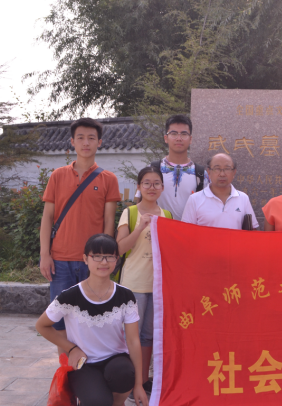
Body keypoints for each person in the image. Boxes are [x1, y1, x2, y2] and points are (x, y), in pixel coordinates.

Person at [35, 234, 148, 406]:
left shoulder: (125, 296)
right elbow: (41, 326)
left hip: (116, 360)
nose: (104, 262)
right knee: (97, 401)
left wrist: (138, 385)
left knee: (125, 374)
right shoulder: (70, 296)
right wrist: (71, 348)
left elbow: (133, 341)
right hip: (84, 363)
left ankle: (117, 403)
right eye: (97, 256)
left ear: (116, 260)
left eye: (109, 256)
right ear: (85, 259)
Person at [39, 117, 121, 352]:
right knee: (60, 322)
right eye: (81, 138)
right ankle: (66, 369)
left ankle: (92, 368)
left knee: (93, 317)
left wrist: (104, 258)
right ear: (72, 142)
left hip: (92, 261)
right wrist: (45, 254)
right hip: (60, 260)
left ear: (99, 142)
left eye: (91, 138)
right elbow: (47, 218)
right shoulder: (58, 176)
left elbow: (108, 222)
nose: (86, 143)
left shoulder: (108, 179)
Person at [116, 166, 170, 394]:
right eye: (146, 183)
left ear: (162, 188)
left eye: (156, 183)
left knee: (149, 336)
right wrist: (140, 228)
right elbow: (119, 248)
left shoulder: (167, 215)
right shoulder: (130, 213)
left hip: (157, 286)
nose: (151, 187)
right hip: (134, 284)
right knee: (132, 336)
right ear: (138, 186)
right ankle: (129, 382)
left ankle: (143, 379)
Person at [142, 114, 207, 221]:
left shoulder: (201, 174)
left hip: (189, 229)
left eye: (184, 134)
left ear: (190, 139)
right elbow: (141, 203)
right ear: (166, 138)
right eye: (173, 134)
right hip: (157, 228)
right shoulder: (152, 170)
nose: (179, 138)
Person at [182, 153, 259, 229]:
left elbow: (252, 230)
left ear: (234, 172)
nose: (222, 174)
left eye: (227, 169)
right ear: (209, 172)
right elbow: (186, 231)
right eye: (217, 169)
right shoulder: (194, 199)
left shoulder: (243, 198)